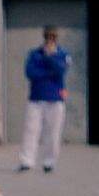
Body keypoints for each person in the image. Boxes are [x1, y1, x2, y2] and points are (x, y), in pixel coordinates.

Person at [16, 27, 68, 171]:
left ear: (56, 38)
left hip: (55, 99)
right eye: (48, 37)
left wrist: (49, 57)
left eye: (53, 37)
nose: (50, 40)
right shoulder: (34, 54)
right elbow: (30, 73)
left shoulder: (63, 54)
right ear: (44, 37)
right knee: (31, 130)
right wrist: (49, 73)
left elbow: (61, 71)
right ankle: (27, 160)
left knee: (53, 132)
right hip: (36, 98)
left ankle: (49, 162)